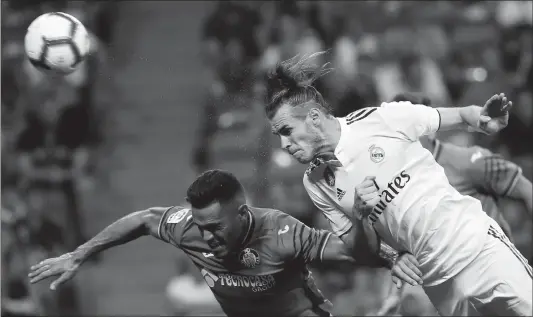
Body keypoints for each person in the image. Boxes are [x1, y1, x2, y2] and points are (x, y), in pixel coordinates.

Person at [264, 52, 532, 316]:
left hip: (478, 248)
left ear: (313, 117)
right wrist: (363, 219)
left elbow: (459, 116)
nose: (284, 145)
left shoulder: (381, 119)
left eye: (287, 131)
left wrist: (481, 117)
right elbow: (363, 253)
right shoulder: (315, 181)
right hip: (437, 282)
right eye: (278, 135)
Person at [27, 169, 419, 317]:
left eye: (216, 227)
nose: (207, 236)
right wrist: (78, 255)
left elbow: (350, 250)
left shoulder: (281, 232)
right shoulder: (189, 228)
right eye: (200, 226)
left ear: (242, 213)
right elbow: (145, 219)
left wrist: (390, 256)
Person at [374, 92, 533, 316]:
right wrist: (394, 296)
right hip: (452, 281)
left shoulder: (466, 162)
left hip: (492, 265)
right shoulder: (400, 185)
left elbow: (526, 189)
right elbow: (409, 249)